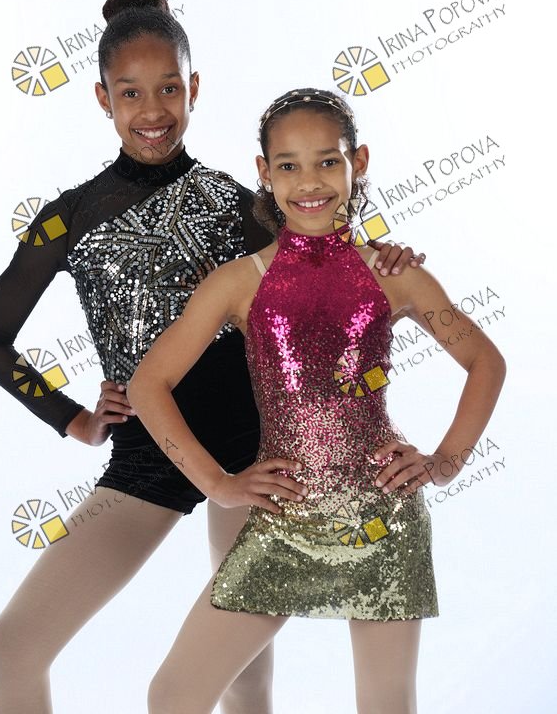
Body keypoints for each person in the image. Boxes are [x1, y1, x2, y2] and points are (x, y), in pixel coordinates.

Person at [0, 0, 423, 714]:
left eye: (169, 88)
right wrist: (73, 419)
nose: (152, 110)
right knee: (10, 648)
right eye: (130, 92)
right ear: (102, 98)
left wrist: (388, 257)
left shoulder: (238, 201)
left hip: (254, 452)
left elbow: (326, 261)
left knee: (244, 676)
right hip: (149, 455)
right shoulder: (66, 219)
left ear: (194, 88)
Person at [126, 87, 506, 714]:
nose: (309, 182)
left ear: (359, 162)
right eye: (288, 165)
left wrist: (444, 462)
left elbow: (485, 361)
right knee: (174, 694)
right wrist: (216, 483)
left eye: (328, 161)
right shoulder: (239, 281)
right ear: (264, 171)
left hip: (381, 516)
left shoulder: (394, 273)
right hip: (284, 518)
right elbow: (148, 384)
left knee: (387, 702)